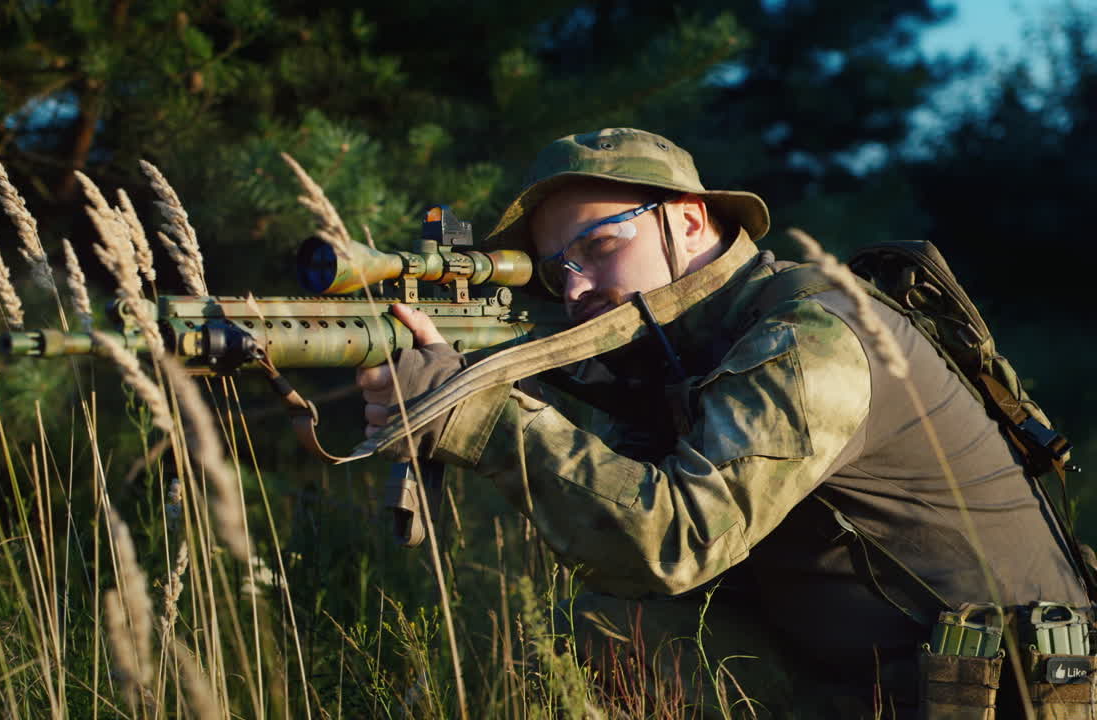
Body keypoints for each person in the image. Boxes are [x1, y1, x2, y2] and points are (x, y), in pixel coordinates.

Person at [357, 128, 1089, 717]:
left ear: (687, 219)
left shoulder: (810, 338)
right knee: (607, 628)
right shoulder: (694, 349)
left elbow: (670, 543)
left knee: (600, 632)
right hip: (878, 682)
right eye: (556, 271)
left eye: (599, 247)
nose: (575, 289)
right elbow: (623, 562)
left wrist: (479, 416)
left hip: (996, 699)